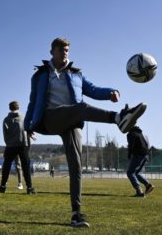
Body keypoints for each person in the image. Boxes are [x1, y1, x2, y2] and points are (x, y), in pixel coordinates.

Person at [24, 37, 147, 228]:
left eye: (67, 50)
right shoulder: (40, 75)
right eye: (61, 50)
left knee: (76, 167)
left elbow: (93, 89)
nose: (65, 53)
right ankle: (118, 118)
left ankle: (76, 214)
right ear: (52, 52)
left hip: (71, 121)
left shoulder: (76, 74)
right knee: (79, 108)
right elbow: (32, 102)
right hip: (49, 119)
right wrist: (27, 126)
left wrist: (110, 92)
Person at [0, 101, 35, 194]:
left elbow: (5, 134)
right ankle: (29, 188)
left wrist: (8, 142)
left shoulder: (6, 120)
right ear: (18, 107)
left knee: (6, 166)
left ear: (10, 108)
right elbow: (27, 128)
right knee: (25, 166)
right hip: (23, 145)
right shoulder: (23, 118)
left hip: (10, 146)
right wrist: (30, 134)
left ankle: (2, 187)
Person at [126, 126, 154, 197]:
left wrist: (129, 154)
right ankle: (148, 185)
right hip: (145, 155)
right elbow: (148, 145)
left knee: (130, 172)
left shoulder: (131, 134)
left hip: (138, 155)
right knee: (137, 172)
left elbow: (131, 145)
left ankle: (139, 191)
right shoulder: (143, 134)